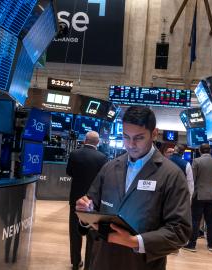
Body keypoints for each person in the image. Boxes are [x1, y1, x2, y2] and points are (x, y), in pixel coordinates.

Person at [76, 106, 192, 270]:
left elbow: (180, 231)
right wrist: (85, 212)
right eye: (125, 137)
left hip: (142, 264)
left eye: (138, 138)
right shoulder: (109, 168)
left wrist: (134, 242)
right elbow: (91, 205)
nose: (130, 144)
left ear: (154, 134)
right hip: (103, 260)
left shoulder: (171, 175)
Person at [66, 131, 108, 270]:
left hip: (75, 200)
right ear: (97, 142)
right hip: (94, 202)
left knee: (74, 233)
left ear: (85, 140)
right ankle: (89, 265)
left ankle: (76, 262)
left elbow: (69, 172)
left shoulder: (74, 154)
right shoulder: (103, 158)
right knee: (92, 234)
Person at [183, 143, 212, 252]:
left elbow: (192, 180)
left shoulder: (196, 161)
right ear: (210, 151)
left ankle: (192, 244)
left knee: (195, 220)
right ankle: (211, 245)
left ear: (200, 151)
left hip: (199, 195)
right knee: (211, 221)